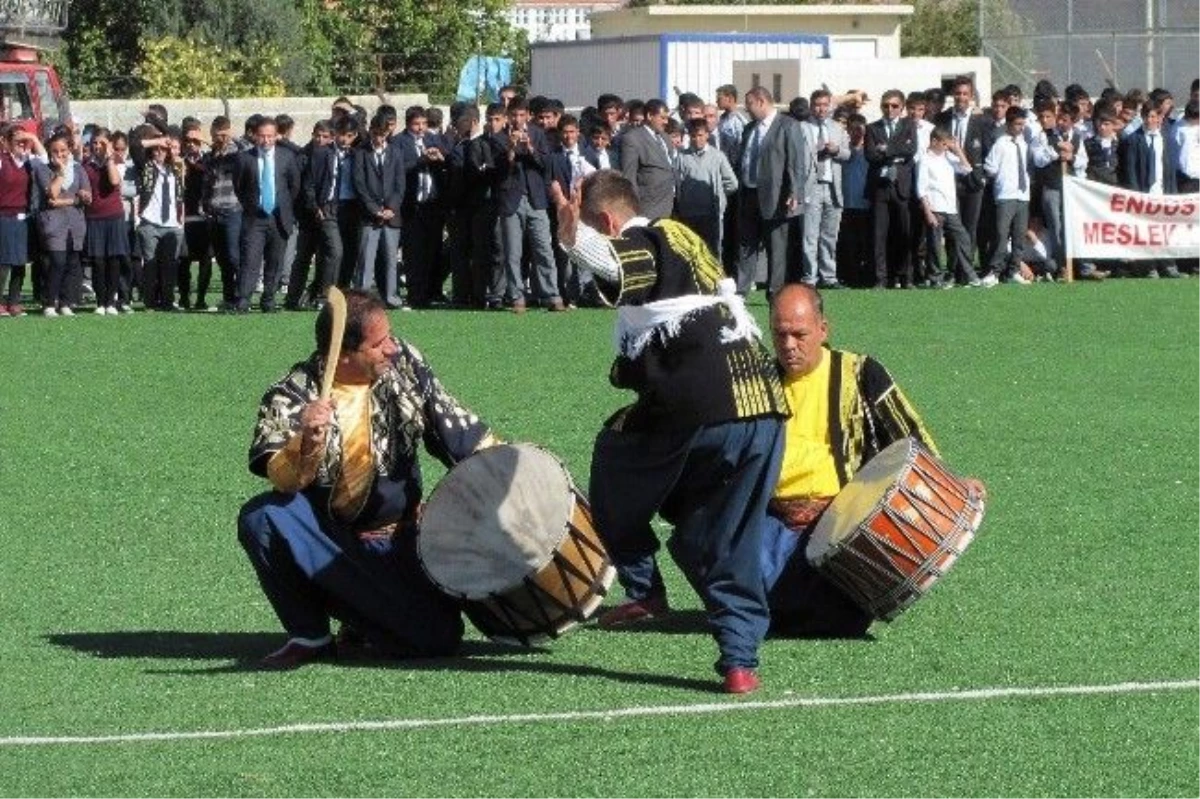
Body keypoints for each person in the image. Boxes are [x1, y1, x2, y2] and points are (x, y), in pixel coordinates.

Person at [554, 170, 788, 695]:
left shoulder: (645, 238)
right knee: (730, 536)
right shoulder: (684, 237)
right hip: (765, 407)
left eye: (599, 228)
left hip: (701, 404)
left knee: (615, 456)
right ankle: (739, 662)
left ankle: (644, 588)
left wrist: (576, 241)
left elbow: (620, 265)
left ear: (609, 221)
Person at [236, 289, 498, 668]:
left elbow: (456, 431)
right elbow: (283, 480)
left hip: (404, 543)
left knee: (436, 638)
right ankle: (310, 634)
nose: (392, 348)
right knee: (262, 516)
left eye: (390, 337)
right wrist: (306, 442)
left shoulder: (404, 363)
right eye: (379, 344)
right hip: (332, 545)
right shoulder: (291, 394)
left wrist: (512, 475)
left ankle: (363, 616)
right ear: (343, 357)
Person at [761, 284, 985, 636]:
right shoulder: (758, 384)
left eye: (799, 334)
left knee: (838, 620)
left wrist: (949, 480)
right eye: (780, 334)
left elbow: (907, 434)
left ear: (823, 329)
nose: (789, 345)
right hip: (773, 523)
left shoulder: (859, 373)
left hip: (838, 528)